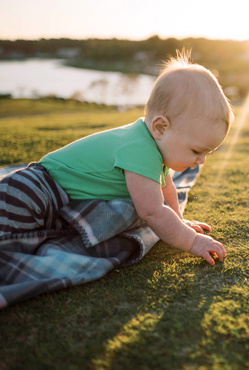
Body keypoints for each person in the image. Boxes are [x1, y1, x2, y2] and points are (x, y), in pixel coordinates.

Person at [0, 51, 234, 266]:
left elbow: (167, 189)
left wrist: (179, 222)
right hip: (34, 189)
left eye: (207, 153)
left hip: (51, 196)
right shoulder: (139, 149)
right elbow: (152, 211)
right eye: (196, 151)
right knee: (12, 244)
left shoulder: (153, 146)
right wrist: (193, 242)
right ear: (161, 127)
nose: (201, 161)